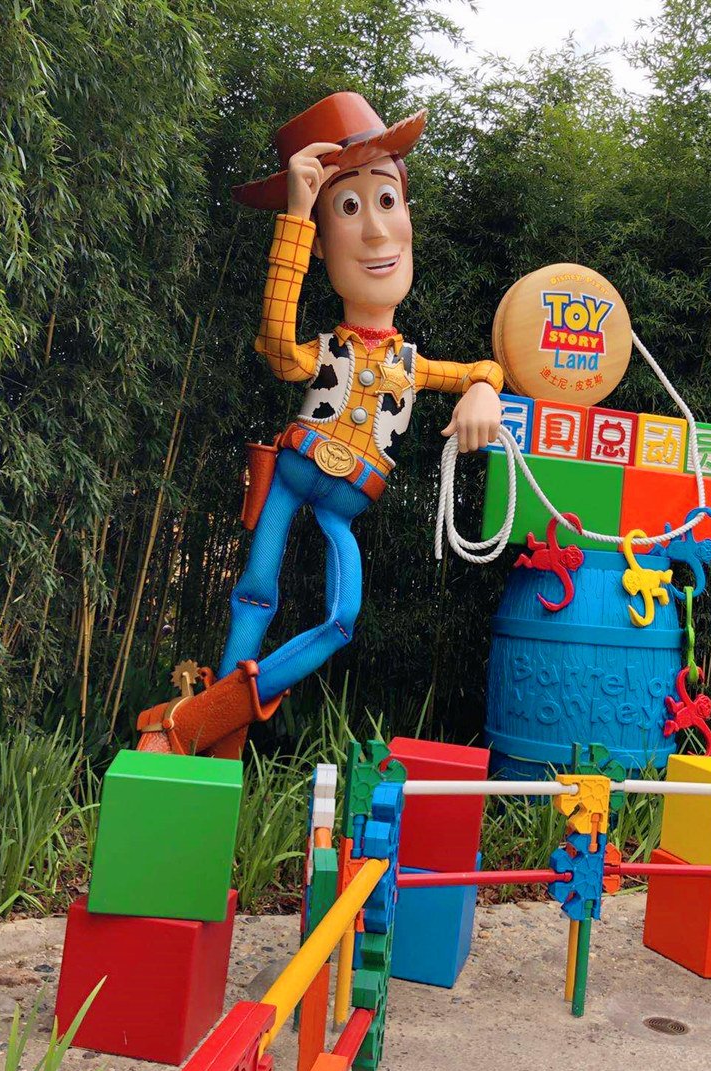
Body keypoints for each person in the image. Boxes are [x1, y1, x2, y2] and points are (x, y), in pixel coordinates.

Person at [137, 92, 503, 758]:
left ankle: (202, 718)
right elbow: (279, 349)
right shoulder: (327, 349)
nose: (377, 233)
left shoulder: (415, 365)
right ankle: (216, 740)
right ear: (324, 240)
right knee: (255, 593)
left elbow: (483, 368)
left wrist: (485, 389)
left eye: (386, 200)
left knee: (342, 619)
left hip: (348, 499)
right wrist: (297, 216)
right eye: (349, 207)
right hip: (294, 471)